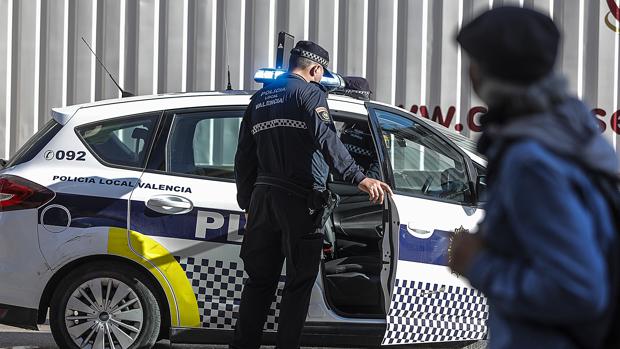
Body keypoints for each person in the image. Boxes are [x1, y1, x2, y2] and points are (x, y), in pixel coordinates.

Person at [448, 7, 619, 349]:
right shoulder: (572, 134)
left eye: (474, 60)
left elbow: (578, 290)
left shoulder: (530, 161)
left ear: (484, 72)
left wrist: (479, 265)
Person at [233, 40, 392, 349]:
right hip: (299, 200)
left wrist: (247, 202)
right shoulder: (309, 93)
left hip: (263, 200)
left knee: (259, 283)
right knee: (298, 284)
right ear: (316, 68)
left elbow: (243, 157)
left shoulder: (260, 98)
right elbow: (326, 137)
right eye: (321, 73)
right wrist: (358, 177)